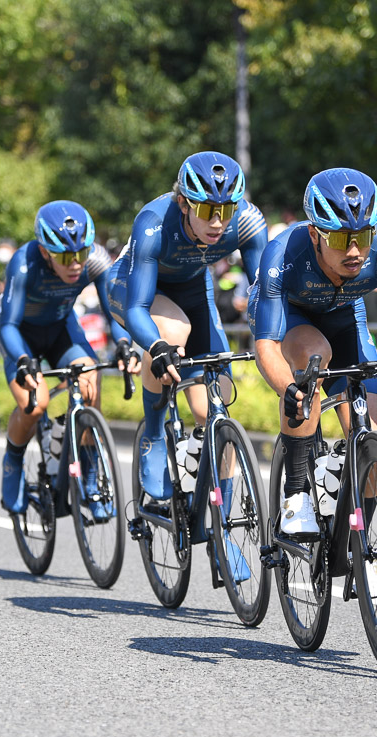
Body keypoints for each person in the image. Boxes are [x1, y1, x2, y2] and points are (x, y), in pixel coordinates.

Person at [249, 167, 377, 535]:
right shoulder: (282, 252)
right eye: (342, 239)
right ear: (315, 232)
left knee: (371, 443)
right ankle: (295, 493)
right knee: (315, 355)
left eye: (362, 236)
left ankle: (359, 548)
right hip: (292, 318)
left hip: (347, 316)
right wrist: (289, 391)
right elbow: (265, 344)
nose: (356, 250)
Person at [109, 151, 267, 501]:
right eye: (207, 210)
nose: (217, 222)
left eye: (226, 211)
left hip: (195, 288)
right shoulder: (152, 221)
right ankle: (153, 432)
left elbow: (263, 295)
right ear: (184, 203)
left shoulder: (248, 221)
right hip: (134, 287)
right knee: (173, 332)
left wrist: (272, 341)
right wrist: (156, 347)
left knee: (213, 408)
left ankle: (221, 530)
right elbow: (137, 307)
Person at [0, 200, 139, 517]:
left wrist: (124, 345)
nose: (76, 263)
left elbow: (113, 312)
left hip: (61, 330)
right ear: (46, 251)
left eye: (81, 253)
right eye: (65, 256)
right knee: (35, 405)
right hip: (21, 337)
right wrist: (22, 359)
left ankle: (89, 473)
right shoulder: (23, 264)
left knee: (90, 382)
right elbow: (7, 324)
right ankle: (14, 460)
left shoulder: (96, 260)